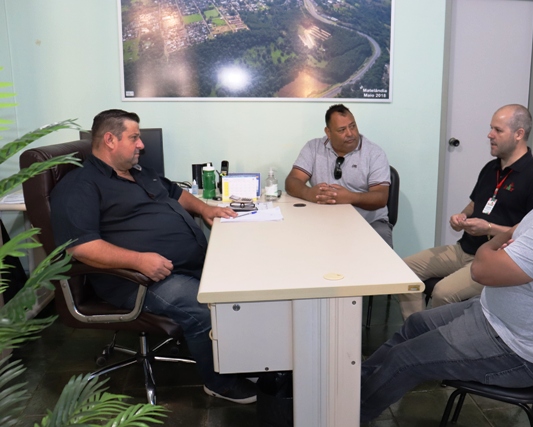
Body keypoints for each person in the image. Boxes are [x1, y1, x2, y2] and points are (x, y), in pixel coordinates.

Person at [360, 117, 533, 422]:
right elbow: (515, 232)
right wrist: (502, 245)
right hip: (492, 315)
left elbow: (481, 269)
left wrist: (489, 247)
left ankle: (345, 414)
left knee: (404, 359)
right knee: (414, 325)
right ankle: (353, 386)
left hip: (516, 351)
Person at [50, 109, 257, 404]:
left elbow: (175, 193)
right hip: (136, 280)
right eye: (134, 137)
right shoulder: (81, 186)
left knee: (241, 288)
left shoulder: (139, 173)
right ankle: (219, 383)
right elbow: (81, 247)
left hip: (183, 266)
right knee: (203, 309)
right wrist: (138, 261)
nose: (141, 145)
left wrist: (205, 209)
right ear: (110, 140)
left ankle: (241, 360)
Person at [399, 104, 533, 318]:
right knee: (403, 271)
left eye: (498, 130)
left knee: (442, 292)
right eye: (491, 128)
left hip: (494, 259)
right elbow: (474, 205)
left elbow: (530, 232)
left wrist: (489, 228)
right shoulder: (491, 168)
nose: (490, 135)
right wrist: (462, 217)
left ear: (519, 134)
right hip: (464, 249)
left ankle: (436, 337)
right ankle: (414, 330)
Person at [285, 104, 393, 246]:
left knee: (380, 245)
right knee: (295, 239)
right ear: (328, 132)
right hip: (323, 220)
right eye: (342, 130)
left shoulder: (374, 153)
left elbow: (381, 197)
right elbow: (292, 181)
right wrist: (308, 193)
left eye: (352, 126)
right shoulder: (313, 148)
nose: (350, 133)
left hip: (369, 222)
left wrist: (350, 197)